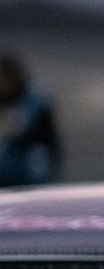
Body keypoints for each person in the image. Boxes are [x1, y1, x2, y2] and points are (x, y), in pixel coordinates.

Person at [0, 52, 62, 186]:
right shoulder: (4, 98)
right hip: (9, 155)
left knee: (37, 159)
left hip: (31, 155)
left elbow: (45, 136)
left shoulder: (36, 98)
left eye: (5, 78)